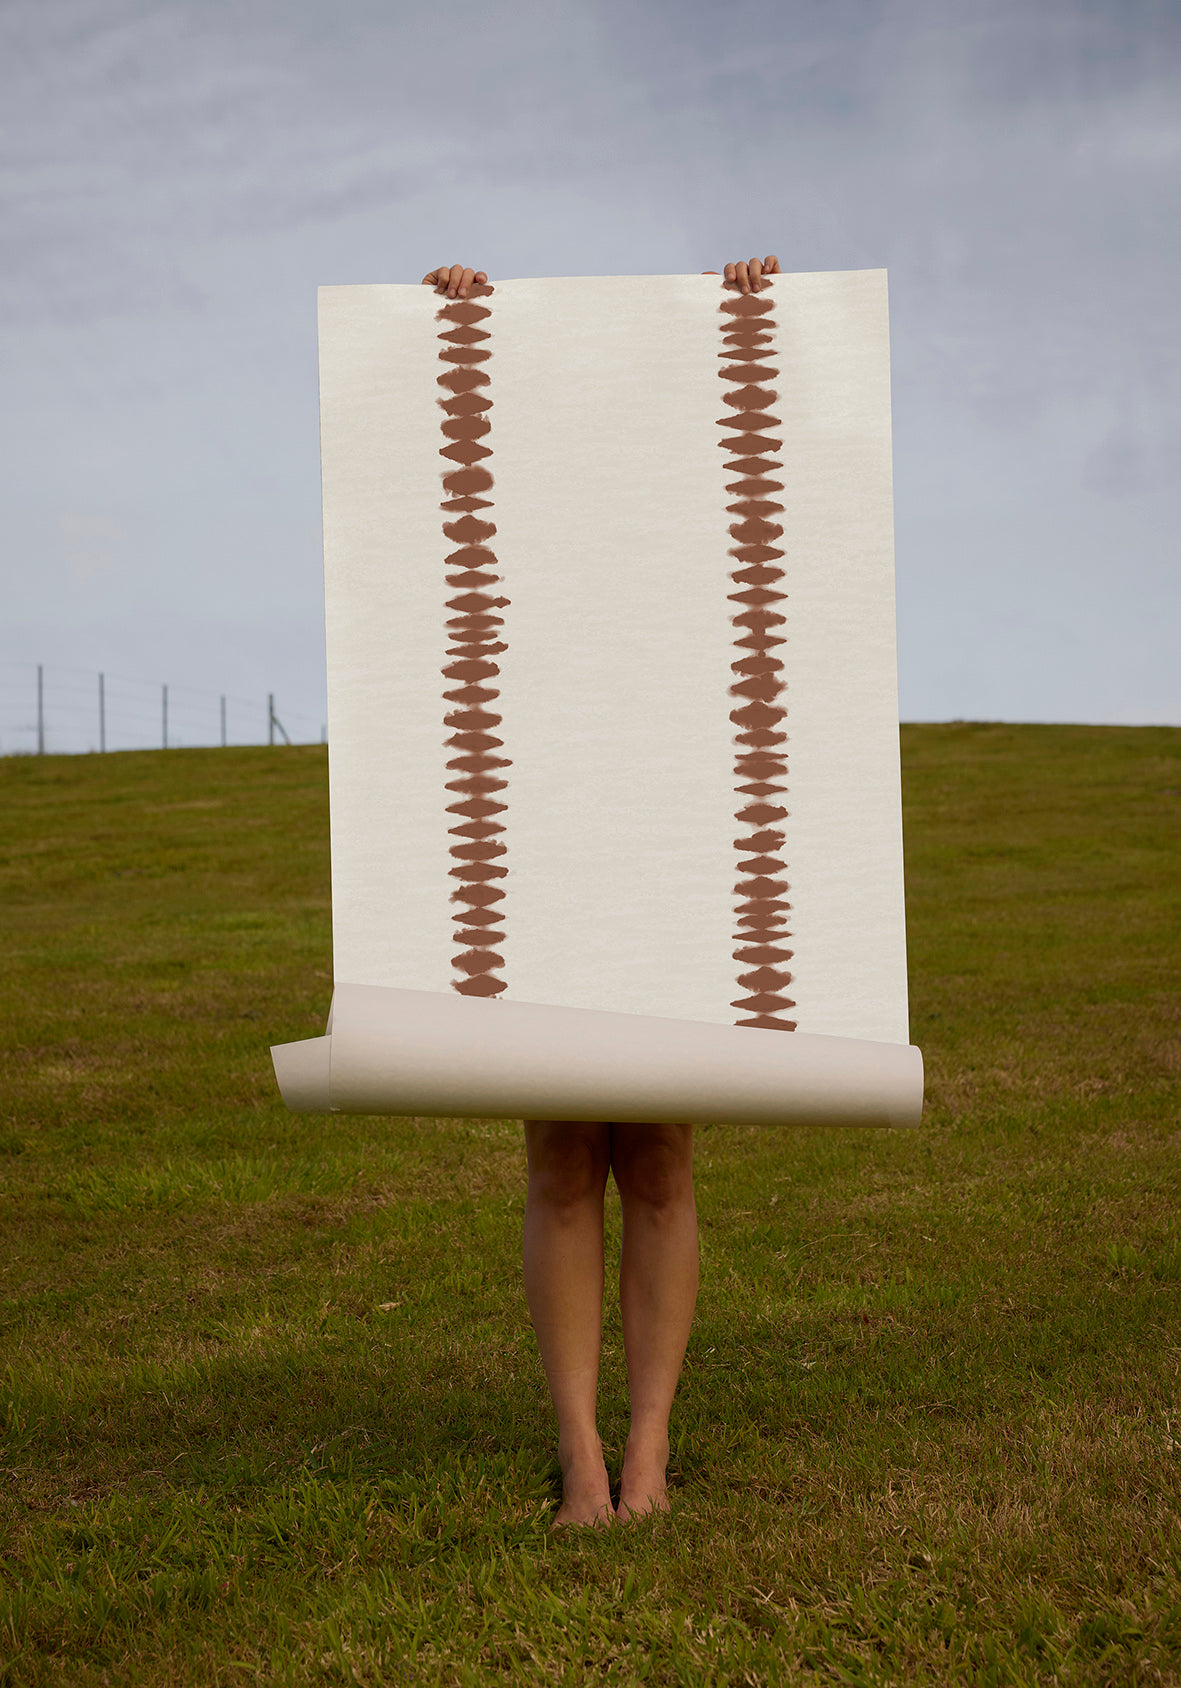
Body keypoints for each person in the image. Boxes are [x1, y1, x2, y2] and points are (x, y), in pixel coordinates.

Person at [422, 254, 781, 1528]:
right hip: (544, 812)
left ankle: (649, 1448)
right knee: (563, 1150)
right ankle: (578, 1453)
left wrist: (750, 311)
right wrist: (457, 324)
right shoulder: (523, 521)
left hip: (673, 810)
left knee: (664, 1151)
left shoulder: (690, 522)